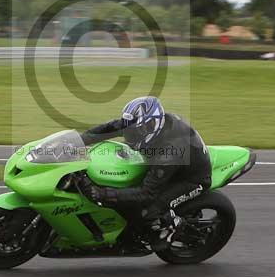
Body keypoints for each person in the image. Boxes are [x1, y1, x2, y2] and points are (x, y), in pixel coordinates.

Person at [77, 96, 211, 250]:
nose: (133, 133)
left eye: (139, 130)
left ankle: (173, 227)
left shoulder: (169, 153)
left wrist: (103, 194)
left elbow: (147, 193)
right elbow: (108, 128)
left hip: (191, 179)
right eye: (131, 128)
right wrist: (78, 141)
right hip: (171, 165)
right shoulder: (140, 123)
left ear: (153, 124)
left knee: (148, 211)